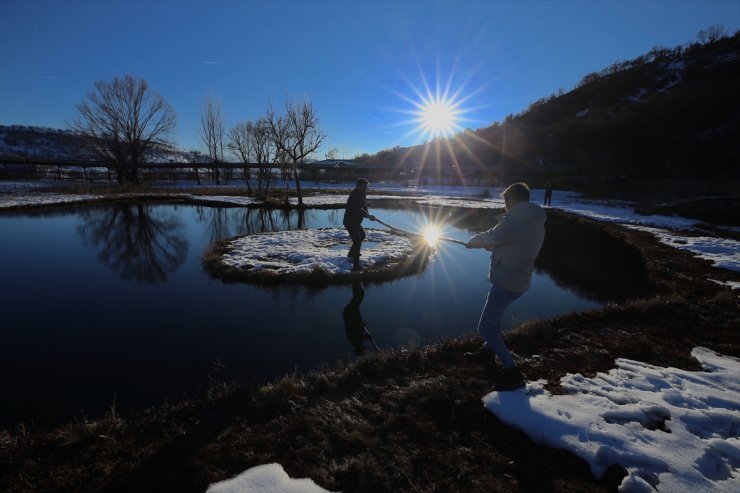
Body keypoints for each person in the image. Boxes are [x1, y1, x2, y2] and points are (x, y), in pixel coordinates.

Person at [465, 182, 546, 391]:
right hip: (518, 278)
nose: (504, 206)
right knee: (495, 317)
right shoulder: (534, 219)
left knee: (484, 327)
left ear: (513, 200)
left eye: (505, 202)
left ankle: (512, 372)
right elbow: (512, 244)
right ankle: (488, 351)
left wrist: (474, 241)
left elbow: (493, 235)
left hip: (507, 280)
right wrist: (494, 247)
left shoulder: (514, 220)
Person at [343, 178, 376, 271]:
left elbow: (364, 207)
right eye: (365, 185)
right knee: (357, 241)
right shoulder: (354, 195)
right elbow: (357, 209)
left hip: (356, 222)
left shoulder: (362, 194)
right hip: (350, 222)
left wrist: (368, 214)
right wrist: (367, 215)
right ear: (359, 186)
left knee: (362, 236)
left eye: (366, 186)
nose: (366, 187)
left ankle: (351, 253)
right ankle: (355, 265)